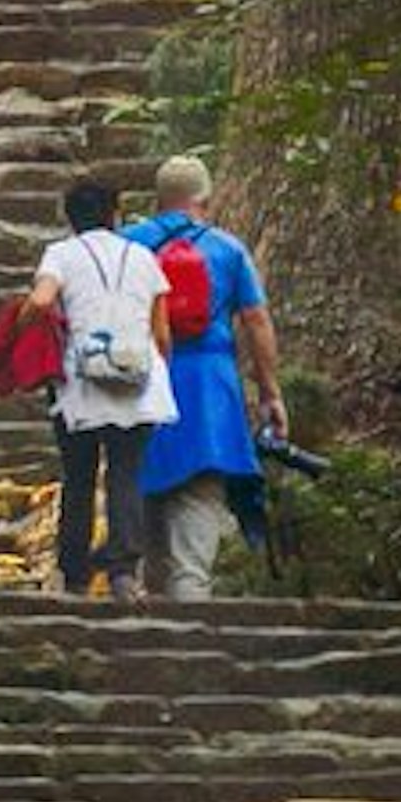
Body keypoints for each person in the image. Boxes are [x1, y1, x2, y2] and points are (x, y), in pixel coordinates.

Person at [135, 148, 288, 599]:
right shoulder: (227, 248)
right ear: (205, 198)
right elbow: (256, 322)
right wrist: (270, 393)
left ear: (158, 199)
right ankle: (191, 598)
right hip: (209, 388)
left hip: (142, 381)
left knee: (142, 488)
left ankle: (143, 603)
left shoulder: (131, 242)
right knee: (200, 494)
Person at [32, 166, 175, 602]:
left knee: (78, 476)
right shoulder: (144, 258)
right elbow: (163, 334)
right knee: (125, 474)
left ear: (70, 217)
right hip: (136, 380)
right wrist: (155, 369)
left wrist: (17, 326)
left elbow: (41, 301)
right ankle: (123, 574)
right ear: (116, 214)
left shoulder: (60, 254)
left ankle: (73, 574)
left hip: (80, 382)